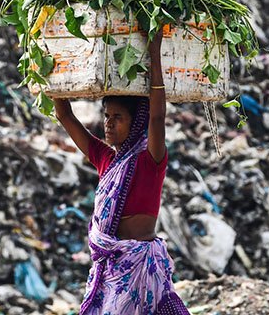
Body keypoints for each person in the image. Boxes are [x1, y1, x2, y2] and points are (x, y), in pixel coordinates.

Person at [54, 34, 190, 314]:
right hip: (112, 266)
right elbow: (65, 116)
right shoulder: (106, 159)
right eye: (106, 116)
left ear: (135, 121)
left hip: (139, 264)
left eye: (118, 118)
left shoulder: (150, 159)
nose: (108, 124)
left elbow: (157, 115)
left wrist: (154, 52)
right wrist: (54, 66)